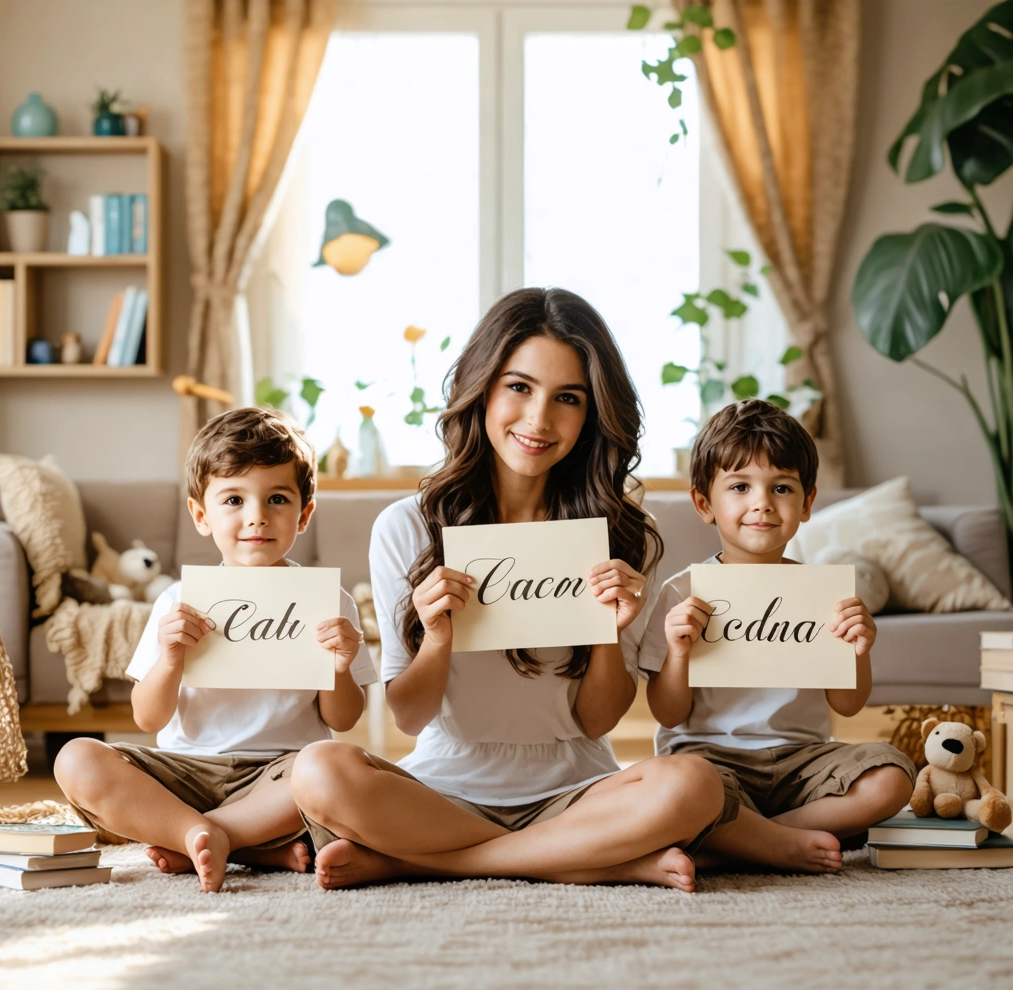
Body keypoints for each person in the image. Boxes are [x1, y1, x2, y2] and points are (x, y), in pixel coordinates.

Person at [291, 286, 725, 892]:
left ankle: (426, 862)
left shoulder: (626, 533)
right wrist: (437, 638)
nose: (539, 420)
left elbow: (598, 720)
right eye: (519, 387)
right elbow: (410, 716)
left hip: (576, 791)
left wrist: (608, 632)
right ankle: (587, 862)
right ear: (482, 388)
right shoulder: (407, 526)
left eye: (567, 398)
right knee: (317, 771)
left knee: (696, 783)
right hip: (443, 792)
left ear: (593, 413)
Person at [54, 408, 378, 892]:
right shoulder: (178, 601)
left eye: (277, 499)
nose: (256, 517)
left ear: (304, 513)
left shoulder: (328, 602)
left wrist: (341, 667)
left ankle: (202, 836)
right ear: (201, 516)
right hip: (186, 771)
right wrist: (169, 660)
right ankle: (230, 840)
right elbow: (148, 719)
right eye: (233, 499)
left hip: (281, 774)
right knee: (76, 760)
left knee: (339, 771)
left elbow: (345, 718)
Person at [639, 399, 915, 874]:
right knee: (676, 786)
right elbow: (668, 712)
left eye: (782, 487)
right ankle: (764, 838)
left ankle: (751, 838)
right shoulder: (681, 593)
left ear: (807, 504)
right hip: (711, 761)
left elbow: (847, 705)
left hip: (802, 762)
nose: (762, 503)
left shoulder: (823, 593)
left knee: (892, 777)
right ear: (705, 504)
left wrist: (859, 649)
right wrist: (680, 653)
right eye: (740, 487)